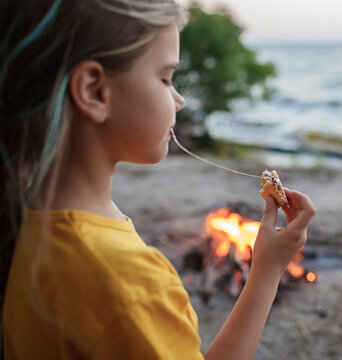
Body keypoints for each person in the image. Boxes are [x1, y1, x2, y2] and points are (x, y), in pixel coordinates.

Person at [0, 0, 316, 359]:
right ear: (94, 91)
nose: (179, 100)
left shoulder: (25, 219)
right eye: (165, 78)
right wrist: (267, 271)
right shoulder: (129, 283)